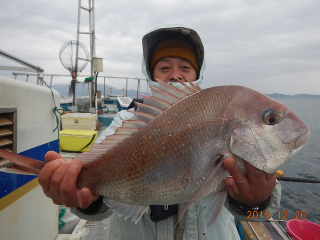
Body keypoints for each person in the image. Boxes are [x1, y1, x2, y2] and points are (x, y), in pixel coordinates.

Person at [39, 25, 281, 240]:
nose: (175, 74)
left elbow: (256, 212)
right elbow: (97, 202)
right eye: (164, 67)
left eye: (185, 67)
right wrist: (83, 198)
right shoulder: (127, 121)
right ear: (151, 75)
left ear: (198, 75)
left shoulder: (222, 121)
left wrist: (258, 201)